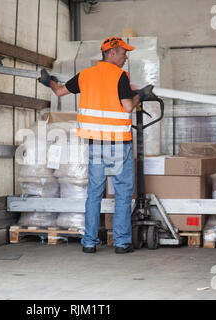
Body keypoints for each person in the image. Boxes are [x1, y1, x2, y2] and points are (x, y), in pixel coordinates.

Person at [38, 36, 153, 254]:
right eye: (123, 53)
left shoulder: (85, 75)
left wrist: (49, 81)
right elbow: (127, 107)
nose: (126, 57)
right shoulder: (120, 76)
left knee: (94, 193)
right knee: (122, 193)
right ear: (111, 53)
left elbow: (59, 91)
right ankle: (121, 243)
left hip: (95, 144)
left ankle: (89, 242)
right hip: (118, 143)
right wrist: (141, 96)